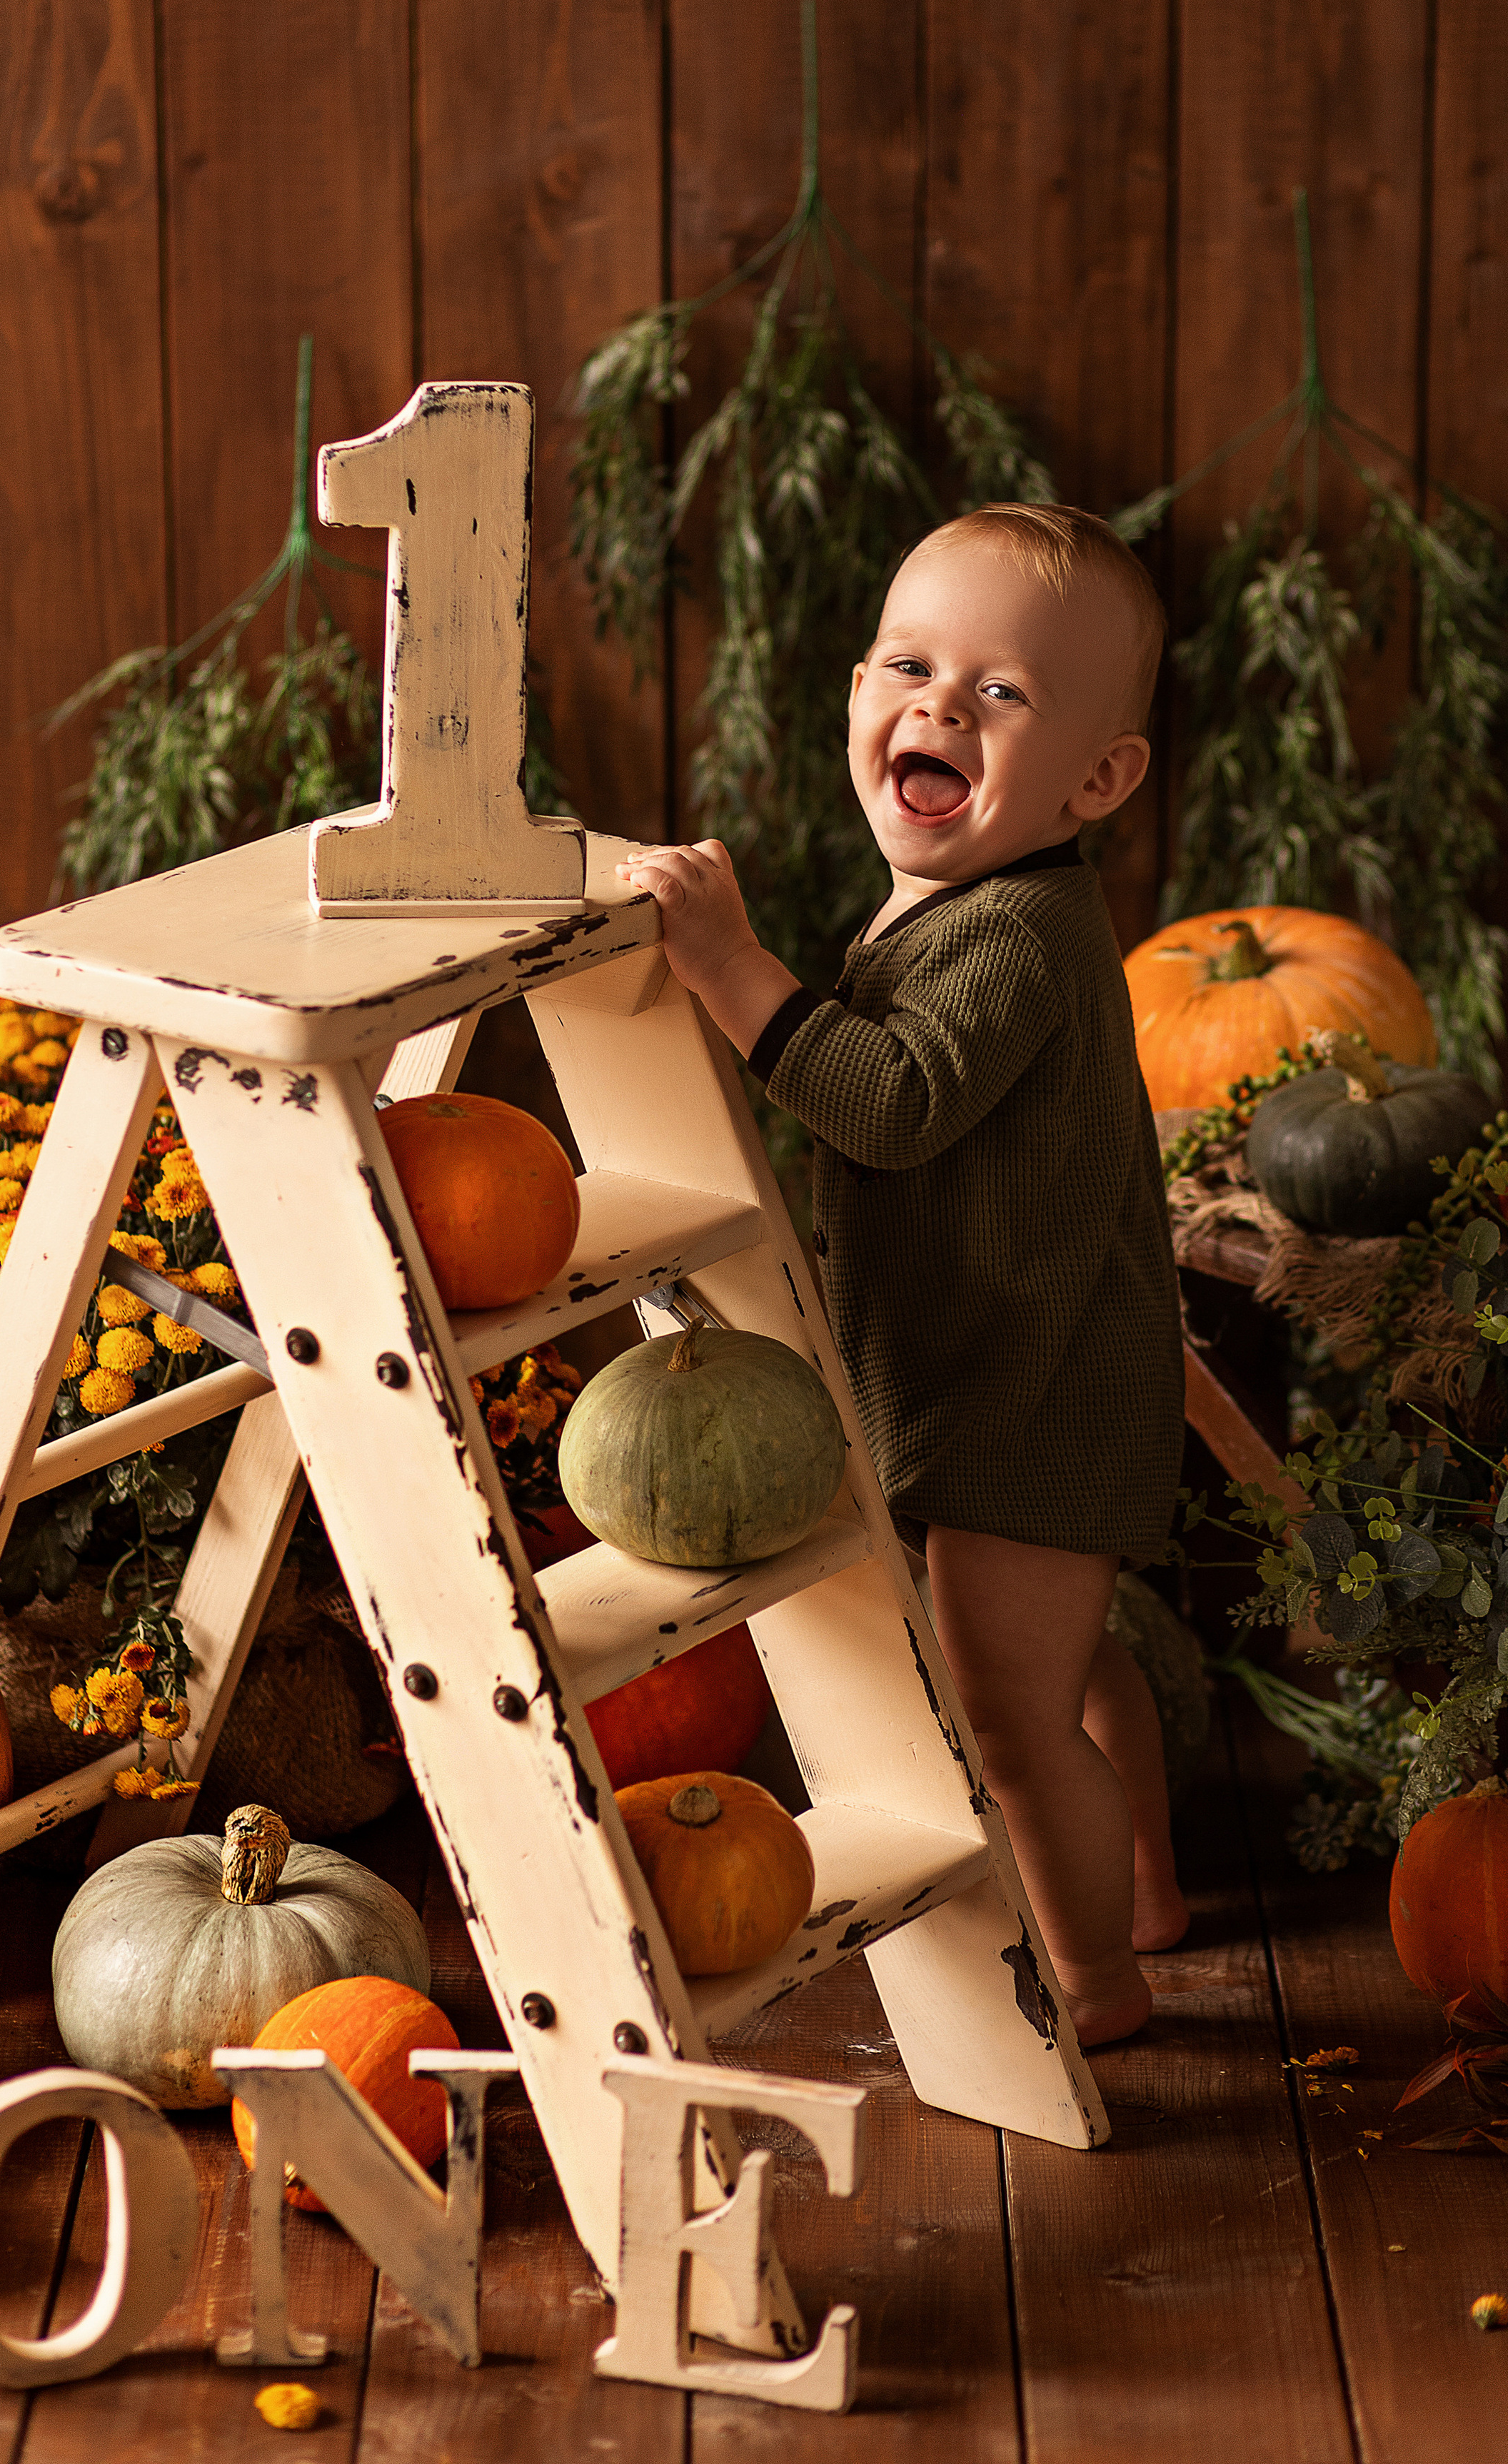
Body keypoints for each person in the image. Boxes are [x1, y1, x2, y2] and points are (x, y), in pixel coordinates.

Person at [618, 503, 1187, 2047]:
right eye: (908, 664)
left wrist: (729, 966)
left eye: (997, 692)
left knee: (1007, 1717)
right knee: (1070, 1662)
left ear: (1096, 778)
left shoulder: (1015, 934)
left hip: (1031, 1393)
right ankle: (1145, 1892)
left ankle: (1092, 1985)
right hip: (1012, 1355)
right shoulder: (965, 892)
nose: (937, 705)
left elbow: (883, 1102)